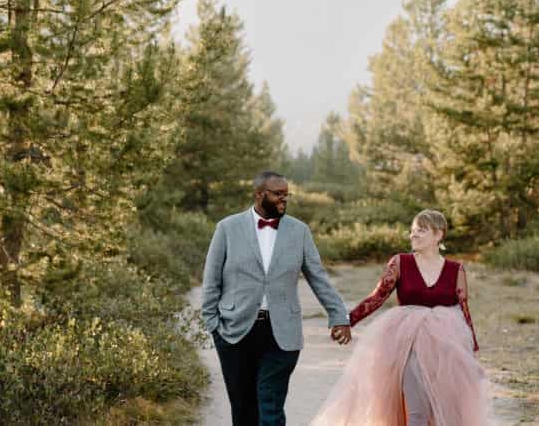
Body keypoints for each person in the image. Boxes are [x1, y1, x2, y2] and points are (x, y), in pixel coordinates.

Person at [201, 170, 353, 426]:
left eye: (287, 194)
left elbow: (318, 276)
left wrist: (339, 314)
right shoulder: (227, 228)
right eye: (278, 194)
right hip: (234, 331)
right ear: (260, 194)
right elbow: (211, 280)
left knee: (270, 405)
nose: (285, 199)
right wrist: (213, 325)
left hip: (282, 332)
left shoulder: (299, 231)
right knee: (243, 408)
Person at [311, 209, 488, 426]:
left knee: (444, 413)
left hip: (446, 349)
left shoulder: (455, 269)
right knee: (417, 412)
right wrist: (348, 320)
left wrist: (471, 355)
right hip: (407, 343)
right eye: (412, 231)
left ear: (438, 235)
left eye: (421, 231)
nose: (413, 235)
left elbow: (464, 311)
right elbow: (377, 297)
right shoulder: (400, 262)